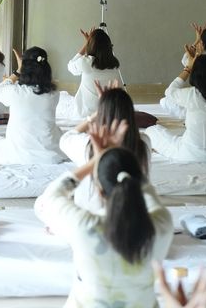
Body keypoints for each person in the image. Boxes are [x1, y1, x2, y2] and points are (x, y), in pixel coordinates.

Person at [35, 122, 173, 308]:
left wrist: (96, 159)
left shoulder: (83, 226)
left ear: (98, 188)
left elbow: (50, 197)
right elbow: (145, 190)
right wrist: (122, 163)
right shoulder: (162, 224)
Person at [60, 85, 151, 211]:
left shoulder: (87, 145)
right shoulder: (143, 142)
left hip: (90, 212)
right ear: (131, 113)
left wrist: (97, 113)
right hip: (131, 212)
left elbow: (67, 137)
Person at [0, 47, 66, 165]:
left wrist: (18, 71)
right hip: (49, 155)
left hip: (17, 155)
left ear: (25, 68)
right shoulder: (54, 94)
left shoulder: (16, 92)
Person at [146, 47, 206, 161]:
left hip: (189, 154)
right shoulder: (192, 95)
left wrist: (188, 69)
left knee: (153, 130)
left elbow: (169, 92)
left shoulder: (192, 94)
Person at [57, 27, 122, 120]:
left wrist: (86, 43)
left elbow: (70, 66)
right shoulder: (114, 64)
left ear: (91, 45)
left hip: (86, 116)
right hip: (109, 115)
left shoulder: (86, 62)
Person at [161, 23, 206, 118]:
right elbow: (188, 61)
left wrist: (196, 42)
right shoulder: (202, 61)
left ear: (202, 45)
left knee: (165, 101)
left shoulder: (202, 62)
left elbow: (187, 62)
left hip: (203, 105)